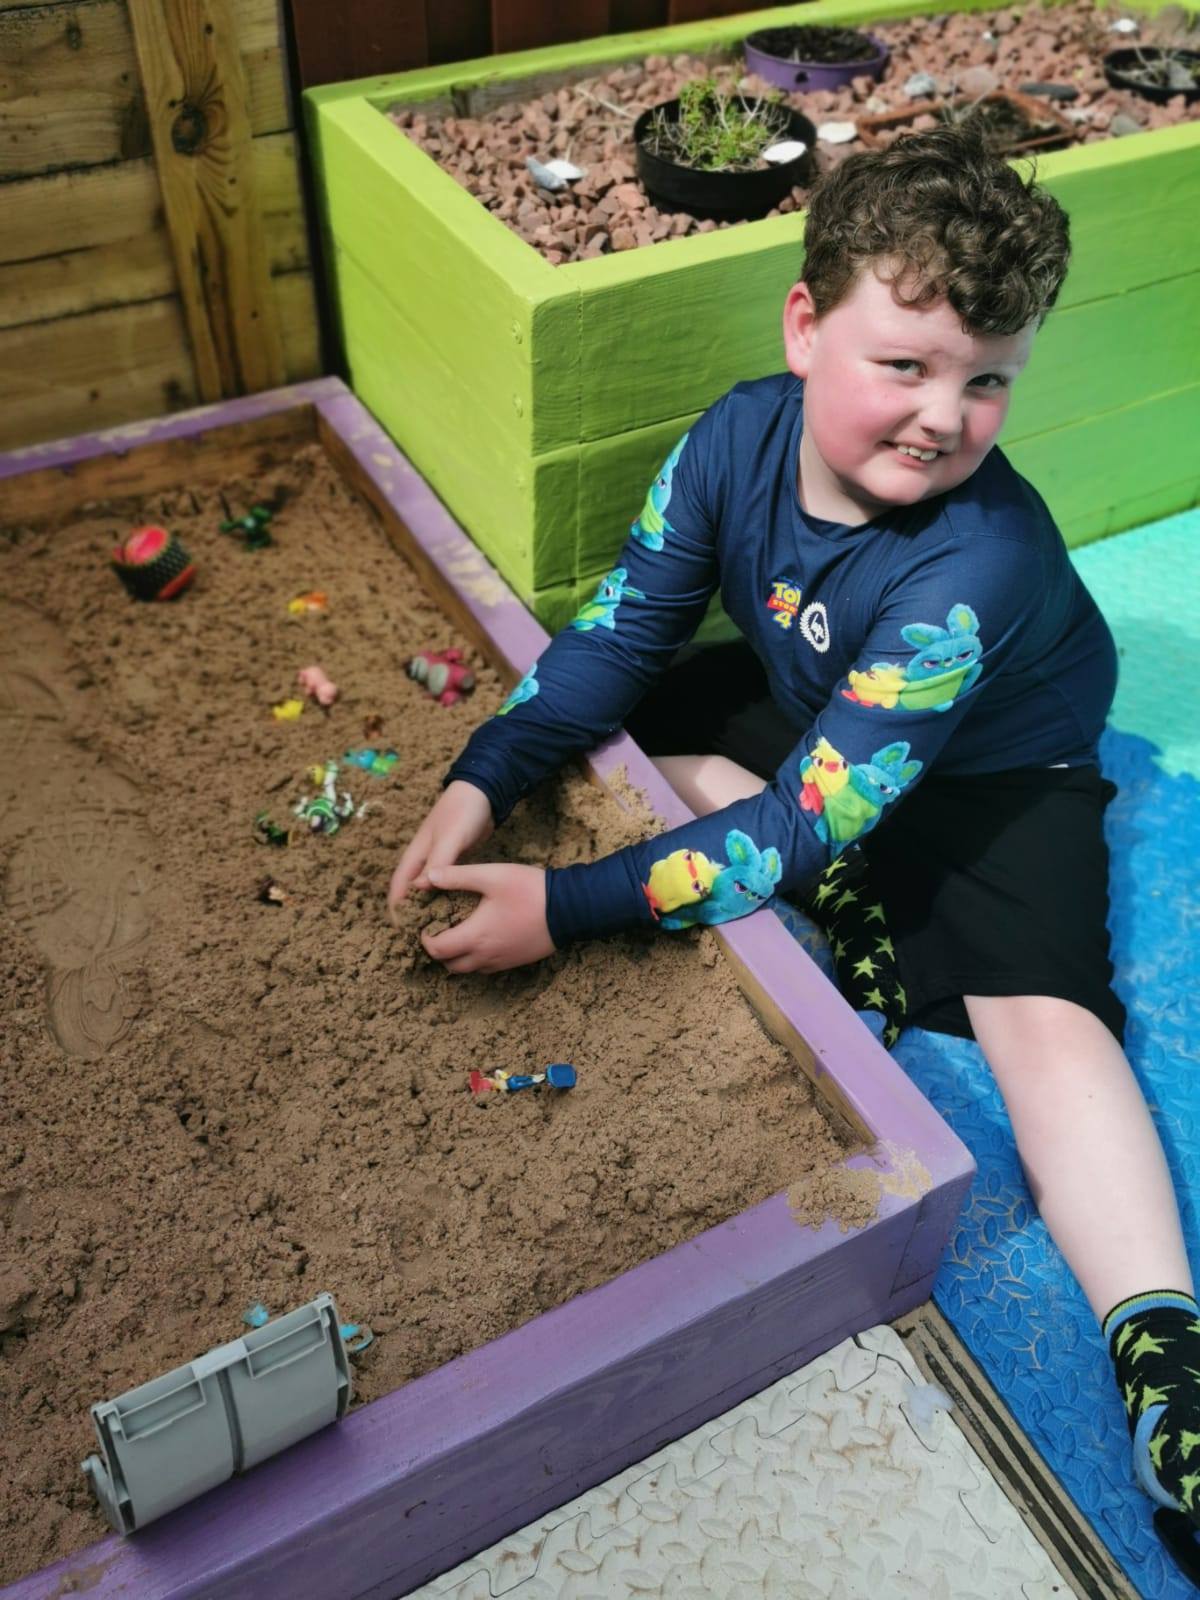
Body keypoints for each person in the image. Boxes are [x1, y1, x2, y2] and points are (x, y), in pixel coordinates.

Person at [389, 124, 1200, 1531]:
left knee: (1045, 1015)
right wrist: (486, 772)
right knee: (648, 739)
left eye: (989, 380)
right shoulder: (735, 435)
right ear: (806, 325)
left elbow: (790, 832)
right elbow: (622, 632)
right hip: (836, 707)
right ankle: (867, 913)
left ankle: (1167, 1360)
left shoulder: (976, 566)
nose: (945, 415)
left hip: (996, 777)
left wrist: (564, 905)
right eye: (906, 365)